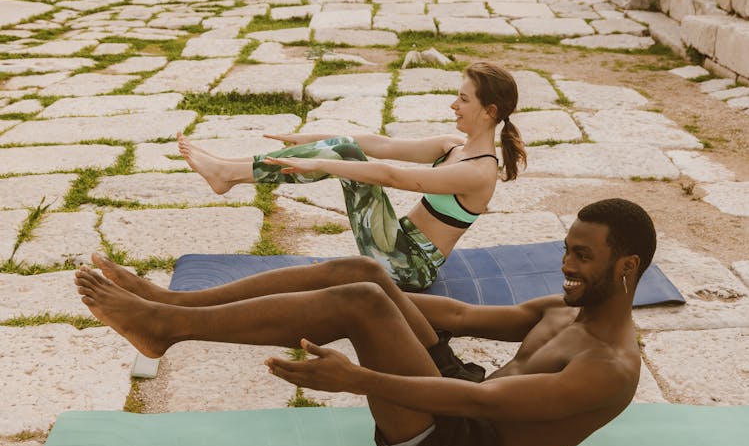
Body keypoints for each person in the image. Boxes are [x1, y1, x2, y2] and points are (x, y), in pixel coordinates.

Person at [76, 198, 656, 446]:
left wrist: (359, 378)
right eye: (566, 250)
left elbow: (486, 399)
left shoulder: (610, 370)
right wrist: (396, 302)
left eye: (581, 256)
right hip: (460, 398)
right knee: (365, 275)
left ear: (625, 267)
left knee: (360, 305)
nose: (566, 266)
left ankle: (166, 328)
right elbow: (455, 318)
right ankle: (173, 304)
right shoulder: (561, 311)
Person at [176, 61, 526, 290]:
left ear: (488, 111)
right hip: (396, 243)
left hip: (409, 268)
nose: (453, 105)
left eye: (463, 100)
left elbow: (391, 176)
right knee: (344, 147)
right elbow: (382, 145)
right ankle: (228, 170)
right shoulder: (453, 146)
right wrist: (316, 140)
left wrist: (324, 163)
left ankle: (227, 173)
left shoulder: (479, 173)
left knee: (344, 155)